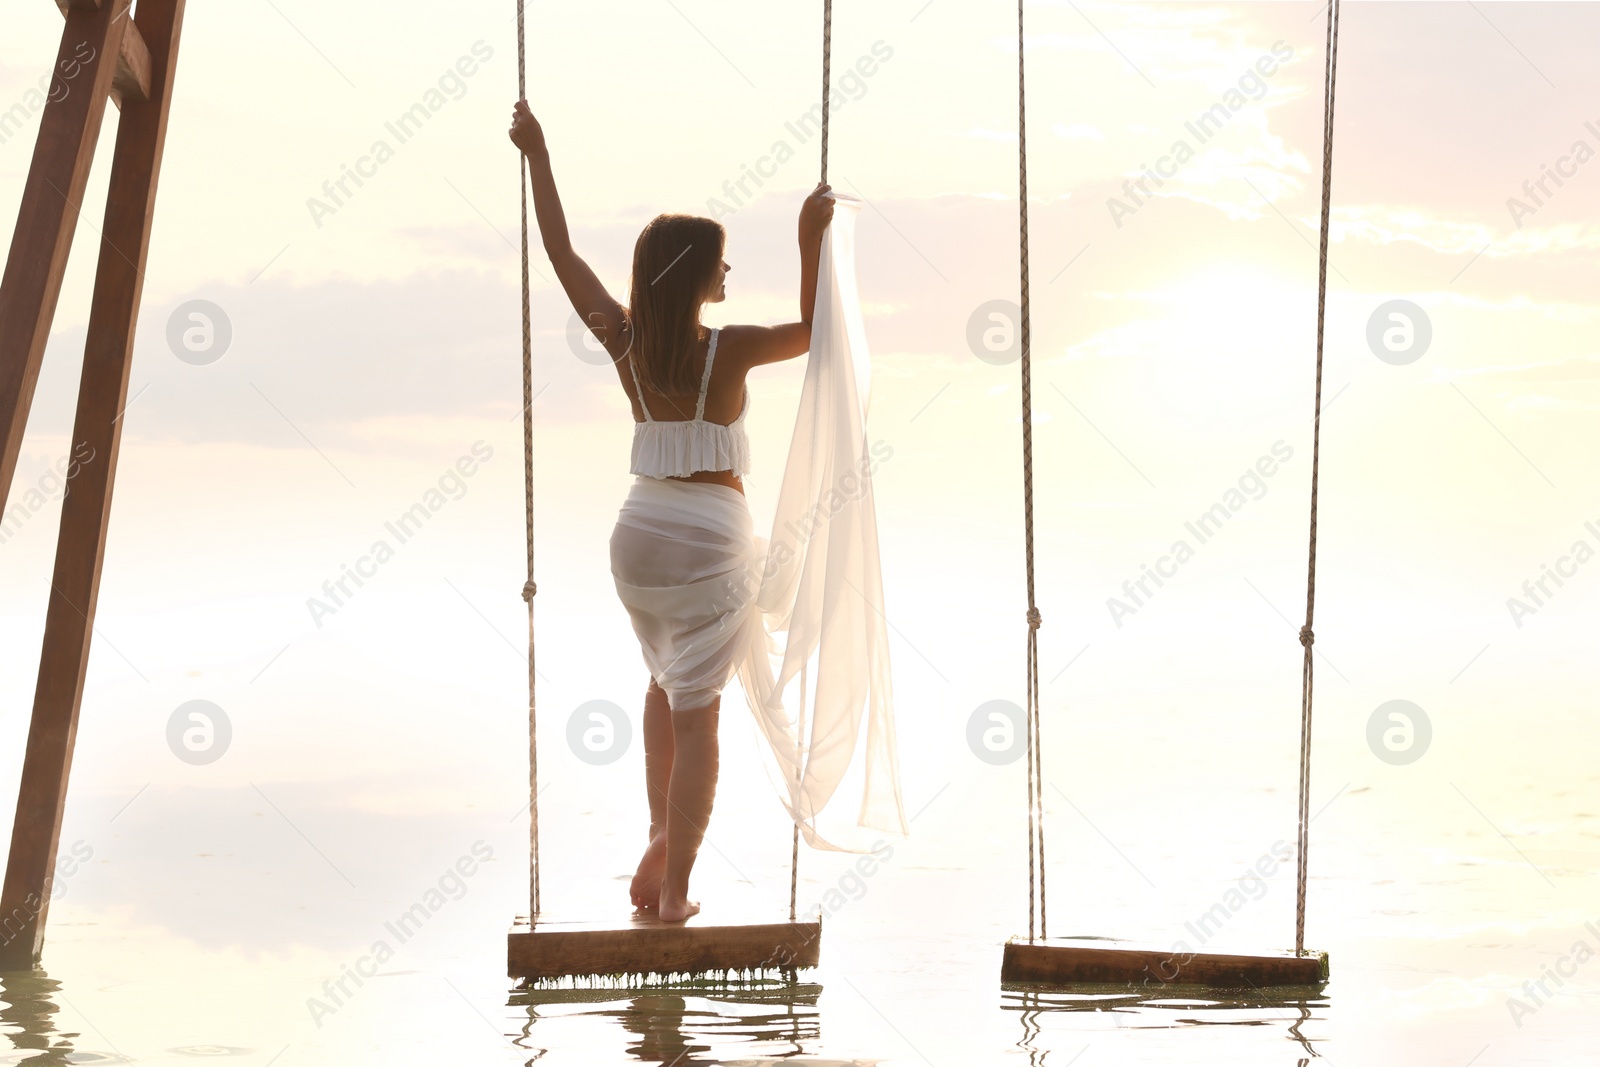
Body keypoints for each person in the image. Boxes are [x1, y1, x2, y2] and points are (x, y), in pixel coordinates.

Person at [509, 100, 834, 922]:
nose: (729, 277)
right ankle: (678, 887)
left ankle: (660, 833)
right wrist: (810, 236)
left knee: (661, 688)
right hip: (709, 546)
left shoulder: (625, 341)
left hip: (637, 545)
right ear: (696, 276)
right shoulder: (730, 346)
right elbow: (819, 330)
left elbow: (559, 250)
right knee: (699, 715)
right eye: (721, 265)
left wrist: (538, 153)